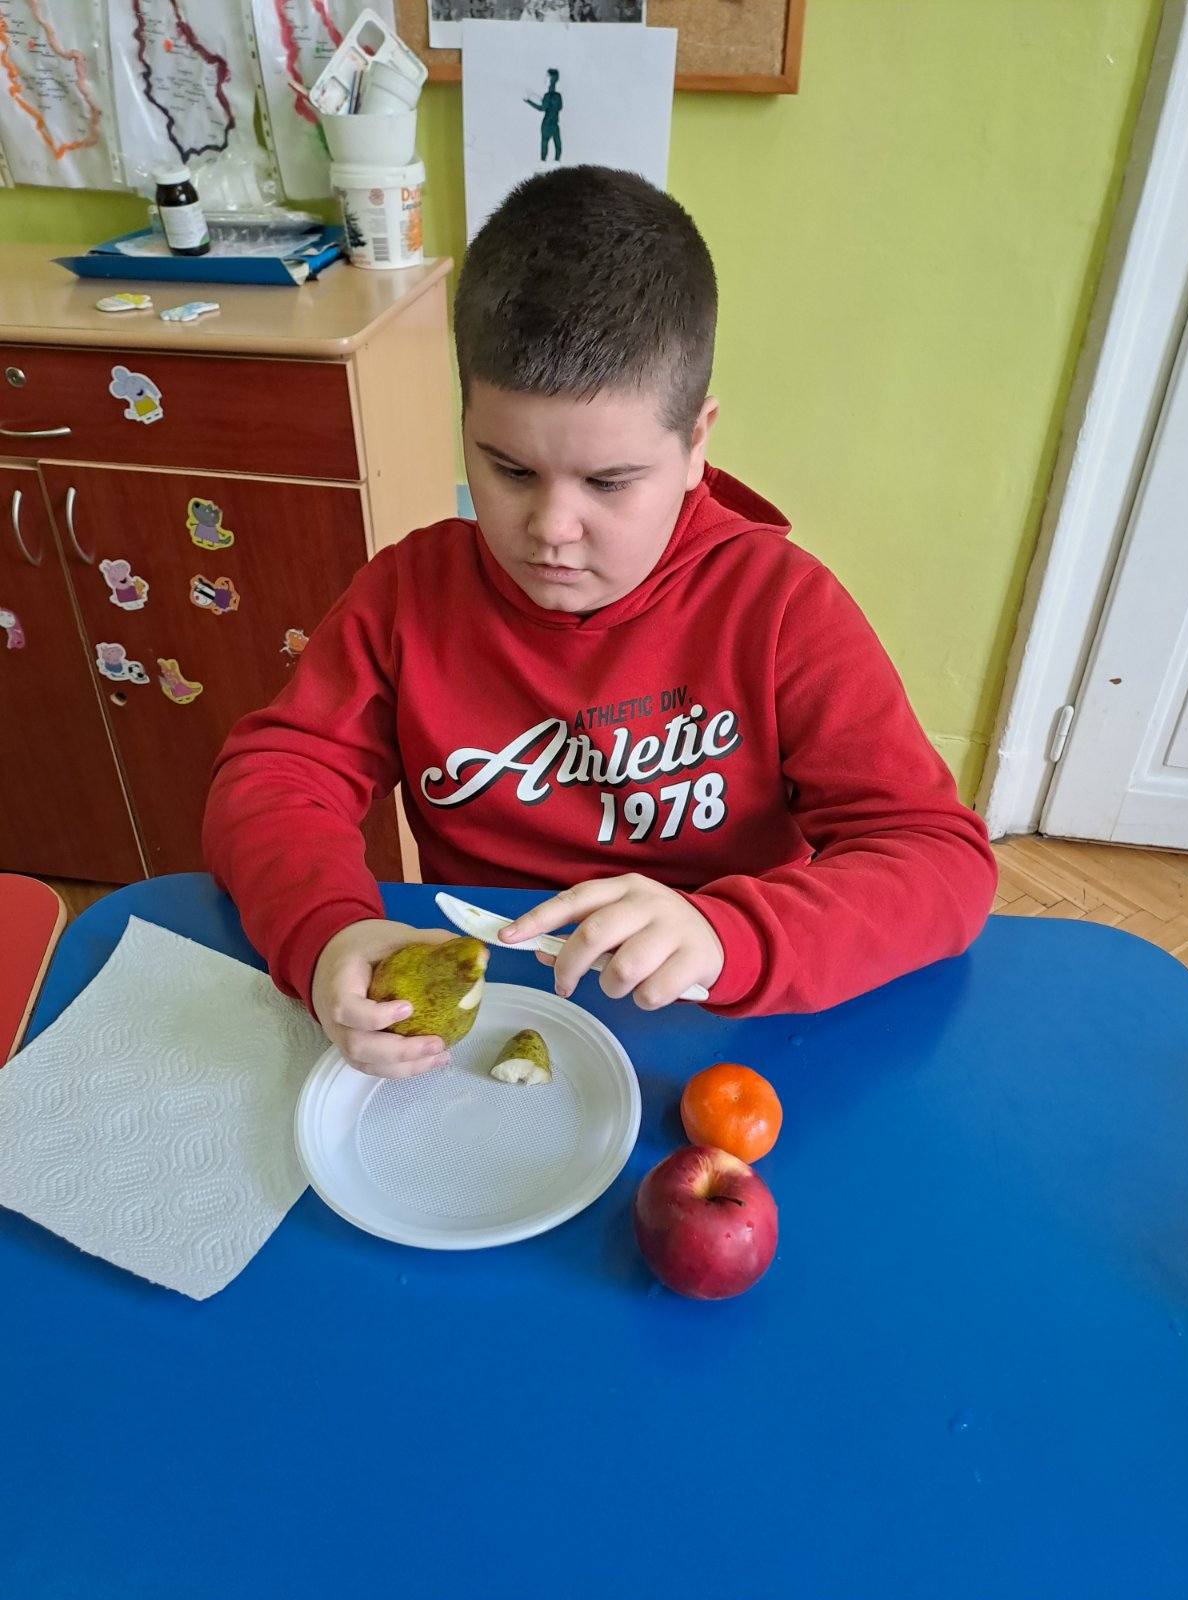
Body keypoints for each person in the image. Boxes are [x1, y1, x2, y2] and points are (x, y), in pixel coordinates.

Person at [203, 165, 997, 1079]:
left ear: (696, 443)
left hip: (720, 1022)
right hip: (484, 1021)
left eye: (610, 482)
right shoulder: (406, 598)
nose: (551, 529)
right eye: (509, 470)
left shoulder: (779, 609)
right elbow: (275, 778)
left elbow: (940, 860)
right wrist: (326, 931)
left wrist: (728, 933)